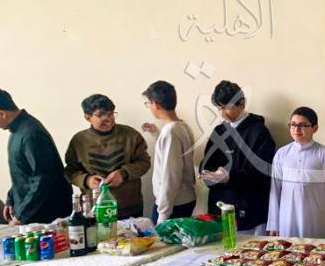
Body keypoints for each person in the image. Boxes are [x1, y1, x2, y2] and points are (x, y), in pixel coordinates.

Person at [200, 81, 276, 233]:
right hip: (220, 211)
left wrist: (230, 177)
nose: (222, 114)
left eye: (226, 107)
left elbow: (262, 174)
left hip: (249, 212)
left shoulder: (259, 132)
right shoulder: (219, 131)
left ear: (242, 103)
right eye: (218, 108)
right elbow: (206, 164)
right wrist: (209, 175)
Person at [64, 94, 151, 219]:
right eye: (101, 115)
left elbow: (144, 162)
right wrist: (87, 180)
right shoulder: (79, 141)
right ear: (88, 118)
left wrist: (123, 173)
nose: (108, 119)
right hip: (95, 208)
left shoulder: (131, 135)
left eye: (111, 114)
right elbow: (70, 171)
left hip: (129, 207)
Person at [0, 89, 71, 225]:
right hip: (31, 210)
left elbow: (43, 178)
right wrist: (11, 199)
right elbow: (22, 173)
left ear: (2, 114)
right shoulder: (17, 130)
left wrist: (22, 216)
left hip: (45, 214)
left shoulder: (30, 133)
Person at [267, 107, 325, 238]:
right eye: (293, 125)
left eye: (303, 125)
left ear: (315, 128)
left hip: (316, 217)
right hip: (287, 217)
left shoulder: (324, 154)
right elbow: (275, 189)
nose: (296, 129)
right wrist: (274, 224)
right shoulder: (282, 154)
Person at [141, 81, 196, 223]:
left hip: (174, 204)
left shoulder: (170, 133)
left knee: (161, 237)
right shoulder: (182, 126)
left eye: (148, 103)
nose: (149, 107)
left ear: (156, 104)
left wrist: (163, 214)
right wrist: (156, 133)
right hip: (183, 199)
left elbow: (171, 176)